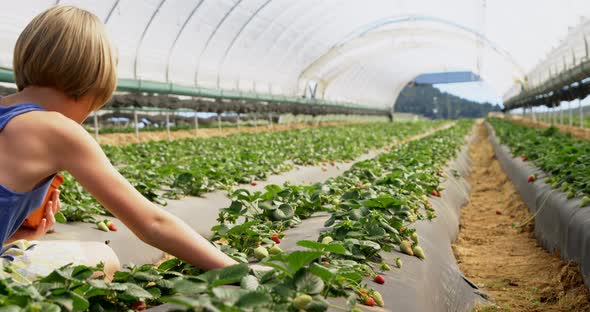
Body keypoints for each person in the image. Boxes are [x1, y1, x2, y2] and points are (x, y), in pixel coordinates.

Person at [0, 5, 238, 282]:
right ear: (94, 80)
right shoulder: (57, 129)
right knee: (103, 257)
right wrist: (241, 271)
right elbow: (152, 224)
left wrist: (14, 234)